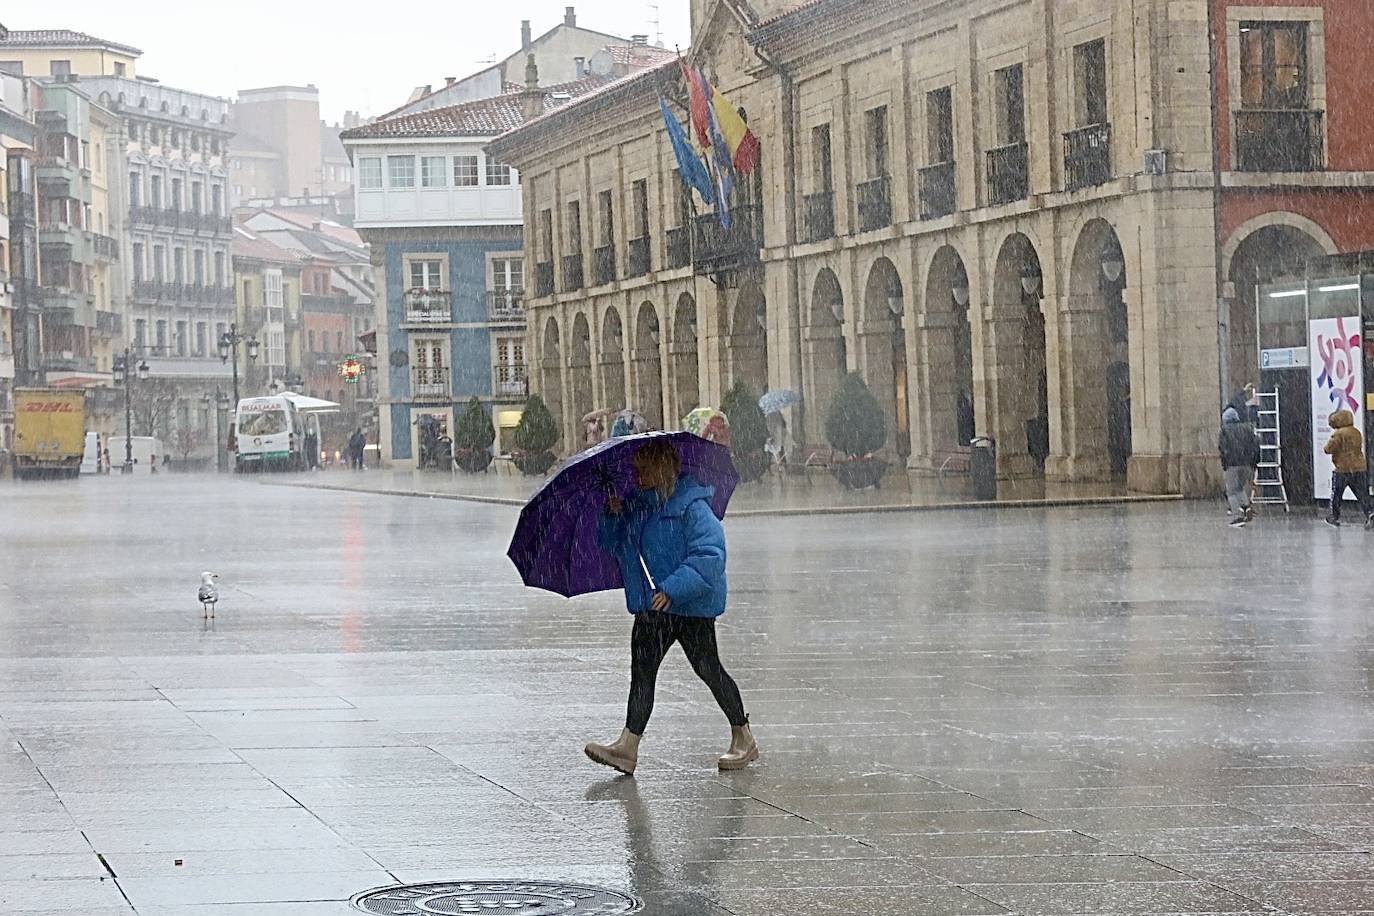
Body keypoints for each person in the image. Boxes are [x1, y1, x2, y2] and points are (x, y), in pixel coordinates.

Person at [585, 438, 757, 777]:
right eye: (635, 471)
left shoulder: (693, 506)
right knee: (642, 673)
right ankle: (627, 747)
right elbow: (613, 545)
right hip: (653, 605)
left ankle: (743, 736)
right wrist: (613, 515)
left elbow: (711, 556)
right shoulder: (638, 505)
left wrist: (674, 588)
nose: (637, 477)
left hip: (691, 606)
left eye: (644, 470)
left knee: (708, 669)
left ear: (663, 468)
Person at [1323, 409, 1374, 529]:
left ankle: (1333, 516)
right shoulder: (1356, 432)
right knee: (1362, 494)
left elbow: (1328, 449)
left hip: (1343, 468)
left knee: (1336, 494)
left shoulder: (1338, 434)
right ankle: (1370, 512)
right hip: (1359, 467)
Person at [1219, 406, 1260, 528]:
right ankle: (1246, 508)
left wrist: (1225, 463)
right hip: (1247, 464)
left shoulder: (1225, 430)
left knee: (1231, 491)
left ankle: (1237, 517)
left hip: (1232, 464)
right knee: (1239, 488)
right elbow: (1256, 445)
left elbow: (1223, 448)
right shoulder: (1247, 428)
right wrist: (1254, 463)